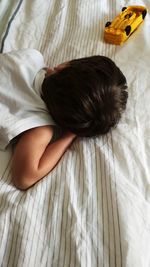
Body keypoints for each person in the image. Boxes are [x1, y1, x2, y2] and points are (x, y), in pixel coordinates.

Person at [0, 49, 128, 190]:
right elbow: (24, 179)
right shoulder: (40, 128)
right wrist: (70, 135)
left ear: (62, 67)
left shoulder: (30, 56)